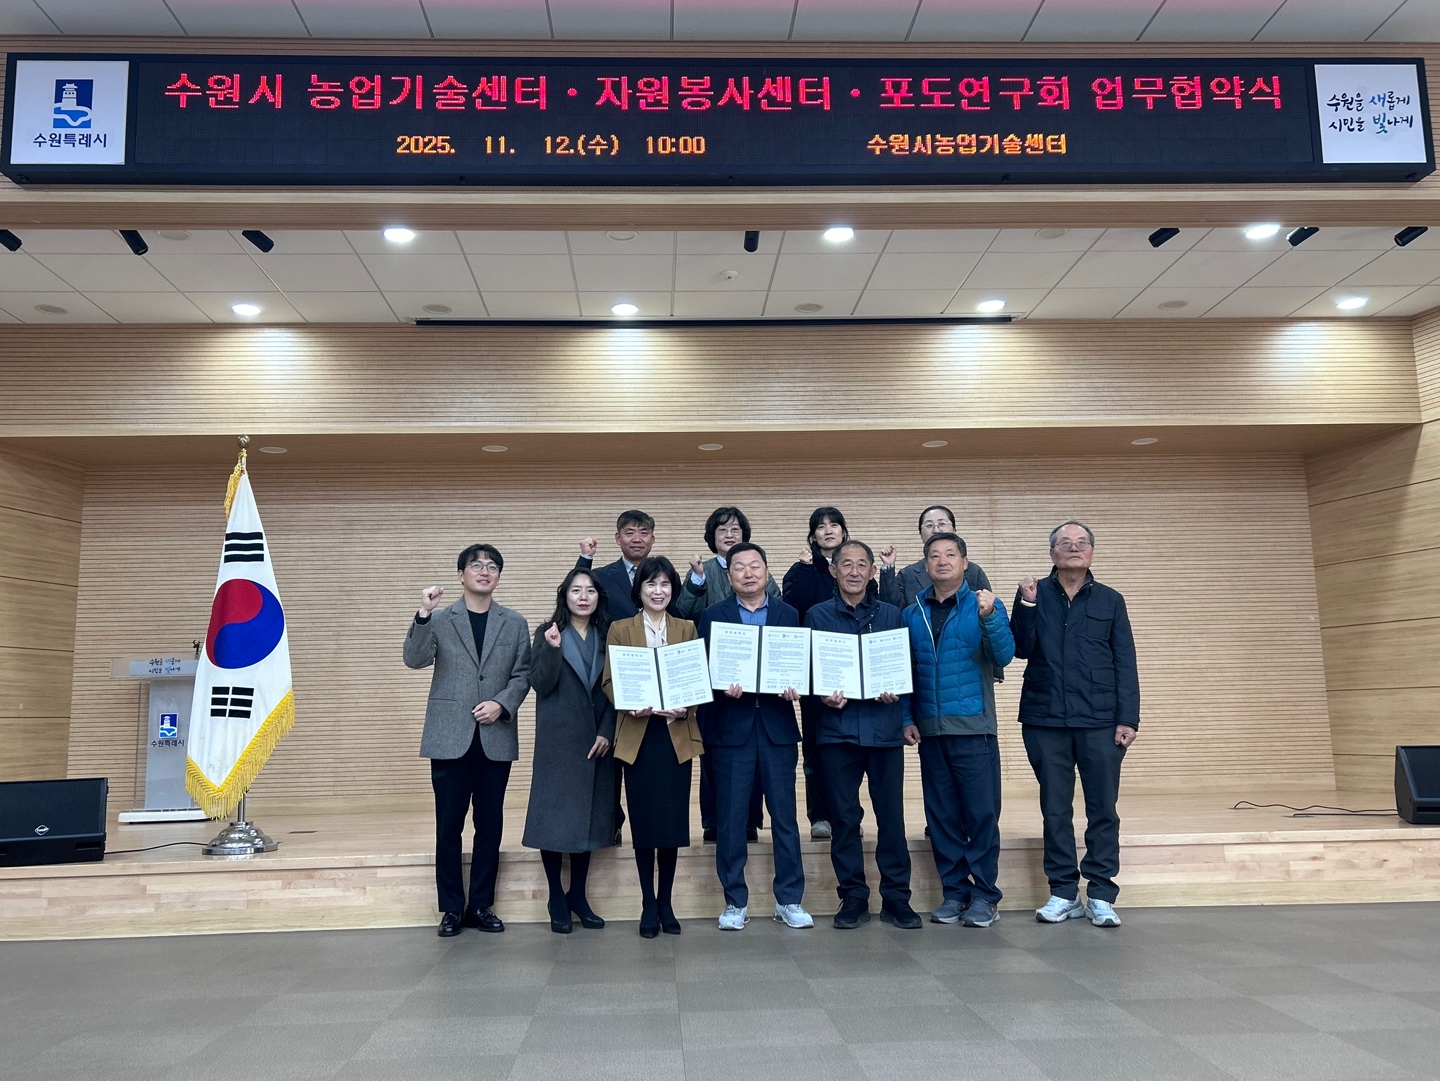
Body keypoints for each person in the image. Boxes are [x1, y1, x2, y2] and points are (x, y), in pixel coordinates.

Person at [1011, 520, 1139, 929]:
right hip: (1045, 718)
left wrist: (1128, 718)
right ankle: (1063, 891)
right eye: (1064, 543)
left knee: (1103, 808)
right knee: (1055, 809)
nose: (1073, 547)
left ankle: (1100, 893)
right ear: (1052, 553)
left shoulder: (1110, 600)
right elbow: (1019, 648)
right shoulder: (1033, 593)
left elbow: (1125, 661)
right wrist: (1027, 605)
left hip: (1100, 719)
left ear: (1092, 552)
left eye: (1081, 542)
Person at [404, 543, 531, 937]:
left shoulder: (514, 622)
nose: (484, 571)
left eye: (492, 566)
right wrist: (424, 614)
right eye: (476, 565)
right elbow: (414, 658)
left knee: (489, 825)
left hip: (495, 734)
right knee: (449, 826)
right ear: (461, 575)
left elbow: (523, 674)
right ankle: (451, 908)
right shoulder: (442, 618)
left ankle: (481, 905)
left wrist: (501, 704)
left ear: (499, 577)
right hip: (449, 735)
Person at [804, 539, 923, 930]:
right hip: (837, 732)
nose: (854, 571)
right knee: (844, 819)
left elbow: (906, 668)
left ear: (873, 572)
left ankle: (897, 898)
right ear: (833, 570)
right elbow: (807, 672)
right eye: (846, 564)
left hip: (884, 730)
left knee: (891, 818)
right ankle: (853, 896)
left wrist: (898, 698)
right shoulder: (817, 615)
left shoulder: (891, 614)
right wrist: (822, 695)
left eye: (861, 565)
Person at [698, 542, 812, 931]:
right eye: (739, 567)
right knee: (731, 819)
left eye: (755, 566)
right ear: (728, 575)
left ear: (766, 571)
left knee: (785, 817)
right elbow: (703, 673)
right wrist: (720, 687)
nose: (748, 573)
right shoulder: (713, 616)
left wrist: (795, 686)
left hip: (777, 728)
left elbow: (798, 664)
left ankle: (790, 899)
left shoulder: (788, 614)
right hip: (731, 728)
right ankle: (735, 901)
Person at [902, 532, 1014, 929]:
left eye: (951, 554)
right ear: (926, 565)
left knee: (981, 815)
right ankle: (954, 892)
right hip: (930, 732)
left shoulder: (984, 605)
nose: (942, 560)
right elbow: (905, 672)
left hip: (973, 729)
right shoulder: (912, 612)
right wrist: (906, 718)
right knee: (942, 817)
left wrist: (991, 616)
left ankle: (985, 895)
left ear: (965, 563)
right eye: (934, 555)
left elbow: (1004, 655)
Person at [602, 556, 706, 938]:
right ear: (639, 590)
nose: (658, 591)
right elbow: (609, 681)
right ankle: (648, 902)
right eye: (651, 584)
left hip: (675, 736)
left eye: (664, 584)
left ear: (673, 589)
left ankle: (667, 901)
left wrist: (686, 706)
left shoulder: (686, 627)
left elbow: (697, 678)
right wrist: (629, 703)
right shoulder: (620, 628)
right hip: (639, 736)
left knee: (672, 824)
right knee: (645, 825)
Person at [521, 567, 617, 934]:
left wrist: (608, 731)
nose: (583, 597)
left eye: (590, 590)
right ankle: (555, 897)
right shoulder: (547, 633)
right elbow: (540, 684)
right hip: (559, 742)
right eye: (576, 590)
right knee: (553, 820)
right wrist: (551, 649)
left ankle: (577, 894)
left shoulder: (609, 635)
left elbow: (619, 688)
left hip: (597, 741)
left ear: (598, 598)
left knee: (588, 821)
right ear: (564, 596)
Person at [676, 505, 778, 843]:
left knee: (755, 757)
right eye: (722, 530)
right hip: (717, 676)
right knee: (714, 754)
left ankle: (749, 820)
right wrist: (696, 581)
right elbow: (684, 612)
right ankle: (713, 820)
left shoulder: (760, 571)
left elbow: (777, 614)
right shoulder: (702, 571)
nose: (730, 535)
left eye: (735, 529)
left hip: (758, 680)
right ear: (712, 537)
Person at [782, 506, 848, 840]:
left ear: (844, 532)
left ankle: (847, 814)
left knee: (850, 748)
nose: (828, 530)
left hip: (850, 669)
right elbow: (792, 612)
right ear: (812, 536)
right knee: (816, 744)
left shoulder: (854, 566)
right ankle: (820, 814)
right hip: (813, 671)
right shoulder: (800, 570)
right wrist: (807, 569)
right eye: (821, 527)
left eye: (834, 525)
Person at [879, 504, 993, 609]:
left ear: (954, 530)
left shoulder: (974, 572)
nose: (936, 530)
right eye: (929, 525)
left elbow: (988, 608)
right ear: (921, 534)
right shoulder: (908, 574)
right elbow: (891, 611)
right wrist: (888, 567)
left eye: (942, 524)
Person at [576, 509, 659, 624]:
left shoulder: (665, 576)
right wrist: (586, 557)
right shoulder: (601, 576)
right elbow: (575, 595)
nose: (637, 539)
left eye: (644, 533)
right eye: (629, 533)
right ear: (618, 538)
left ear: (652, 539)